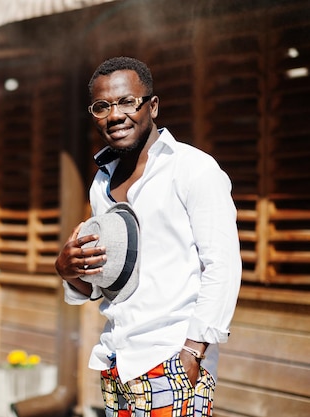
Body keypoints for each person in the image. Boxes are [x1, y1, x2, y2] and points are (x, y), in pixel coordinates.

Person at [55, 56, 242, 417]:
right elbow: (107, 282)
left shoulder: (193, 169)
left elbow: (223, 265)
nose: (115, 114)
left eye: (128, 101)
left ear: (152, 106)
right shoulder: (101, 183)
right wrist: (69, 271)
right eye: (102, 106)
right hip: (115, 357)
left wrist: (192, 351)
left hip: (171, 358)